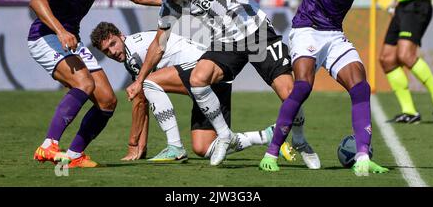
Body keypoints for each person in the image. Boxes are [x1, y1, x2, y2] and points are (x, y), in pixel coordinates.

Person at [199, 0, 423, 176]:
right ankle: (271, 152)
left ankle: (364, 157)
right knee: (303, 86)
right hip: (306, 30)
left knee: (360, 86)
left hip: (333, 35)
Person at [129, 0, 320, 168]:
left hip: (256, 31)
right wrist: (140, 80)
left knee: (290, 94)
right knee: (199, 79)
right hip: (226, 42)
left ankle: (299, 140)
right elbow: (159, 43)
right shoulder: (171, 4)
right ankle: (225, 135)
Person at [28, 0, 162, 168]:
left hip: (69, 39)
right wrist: (60, 30)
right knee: (83, 83)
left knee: (107, 101)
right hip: (46, 36)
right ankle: (48, 146)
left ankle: (74, 155)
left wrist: (174, 0)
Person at [90, 21, 317, 165]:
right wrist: (142, 147)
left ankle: (175, 147)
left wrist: (133, 145)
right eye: (106, 50)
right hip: (212, 83)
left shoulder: (134, 49)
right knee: (203, 148)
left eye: (113, 43)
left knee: (148, 82)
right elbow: (143, 100)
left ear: (121, 35)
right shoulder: (131, 55)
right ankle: (271, 134)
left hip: (205, 69)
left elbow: (140, 99)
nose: (112, 52)